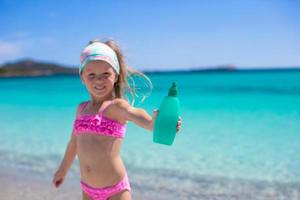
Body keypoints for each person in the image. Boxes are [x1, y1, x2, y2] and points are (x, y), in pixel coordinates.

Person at [52, 39, 182, 200]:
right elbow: (73, 144)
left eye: (105, 74)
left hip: (115, 190)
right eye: (91, 75)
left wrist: (155, 124)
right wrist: (63, 170)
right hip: (87, 189)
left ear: (115, 76)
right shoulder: (81, 109)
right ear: (82, 77)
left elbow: (138, 115)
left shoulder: (116, 107)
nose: (98, 80)